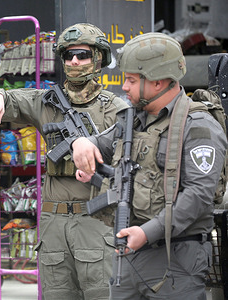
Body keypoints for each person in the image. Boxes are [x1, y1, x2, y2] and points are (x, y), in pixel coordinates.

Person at [72, 32, 227, 299]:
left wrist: (147, 232)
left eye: (132, 80)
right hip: (129, 257)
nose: (125, 87)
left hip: (176, 260)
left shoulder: (199, 126)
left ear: (158, 82)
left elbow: (199, 196)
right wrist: (82, 144)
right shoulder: (134, 120)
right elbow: (101, 143)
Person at [0, 23, 129, 299]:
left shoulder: (115, 108)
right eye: (68, 55)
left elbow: (132, 167)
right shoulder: (47, 102)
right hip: (53, 224)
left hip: (95, 221)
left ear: (98, 58)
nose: (74, 61)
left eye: (82, 54)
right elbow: (2, 96)